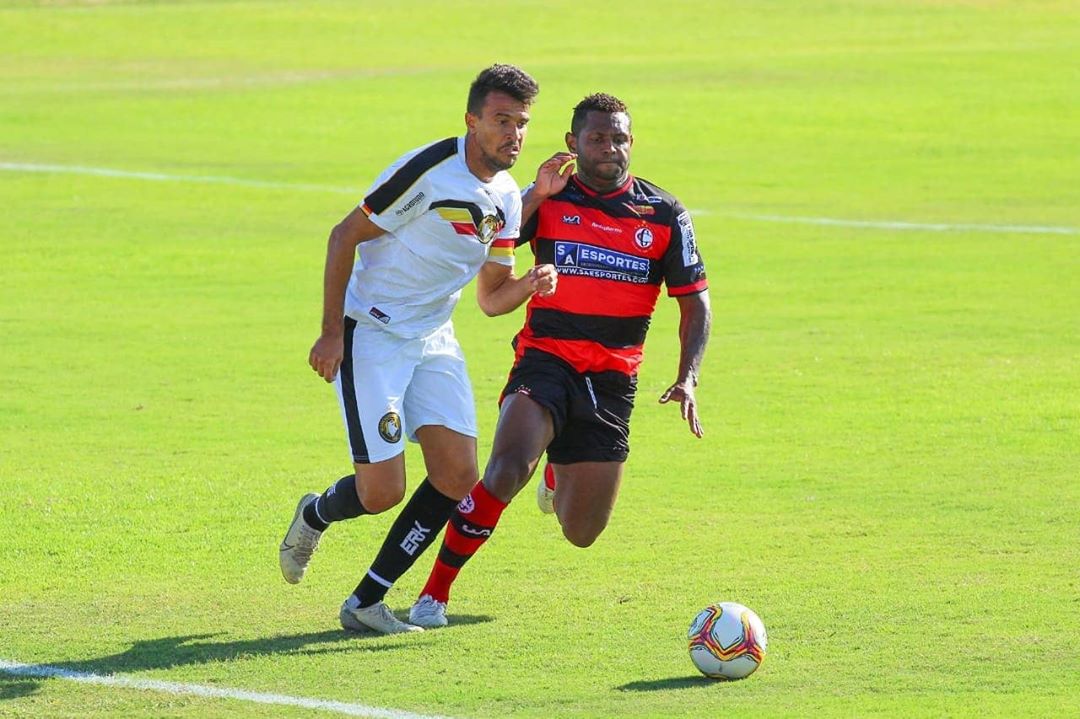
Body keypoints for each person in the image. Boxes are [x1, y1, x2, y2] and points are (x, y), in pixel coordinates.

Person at [278, 64, 570, 634]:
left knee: (459, 476)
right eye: (501, 120)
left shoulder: (509, 196)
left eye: (522, 123)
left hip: (434, 338)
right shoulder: (428, 174)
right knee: (382, 491)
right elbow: (344, 236)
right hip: (374, 333)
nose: (513, 133)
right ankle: (315, 512)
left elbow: (489, 299)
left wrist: (531, 282)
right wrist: (332, 332)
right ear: (472, 120)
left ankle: (366, 602)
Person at [407, 92, 711, 628]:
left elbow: (696, 302)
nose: (609, 148)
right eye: (596, 138)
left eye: (619, 138)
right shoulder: (550, 197)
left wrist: (688, 377)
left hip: (612, 380)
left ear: (631, 142)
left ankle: (558, 470)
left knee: (581, 532)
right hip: (545, 360)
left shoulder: (664, 214)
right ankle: (434, 596)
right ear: (573, 143)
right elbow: (489, 242)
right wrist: (532, 197)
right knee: (504, 471)